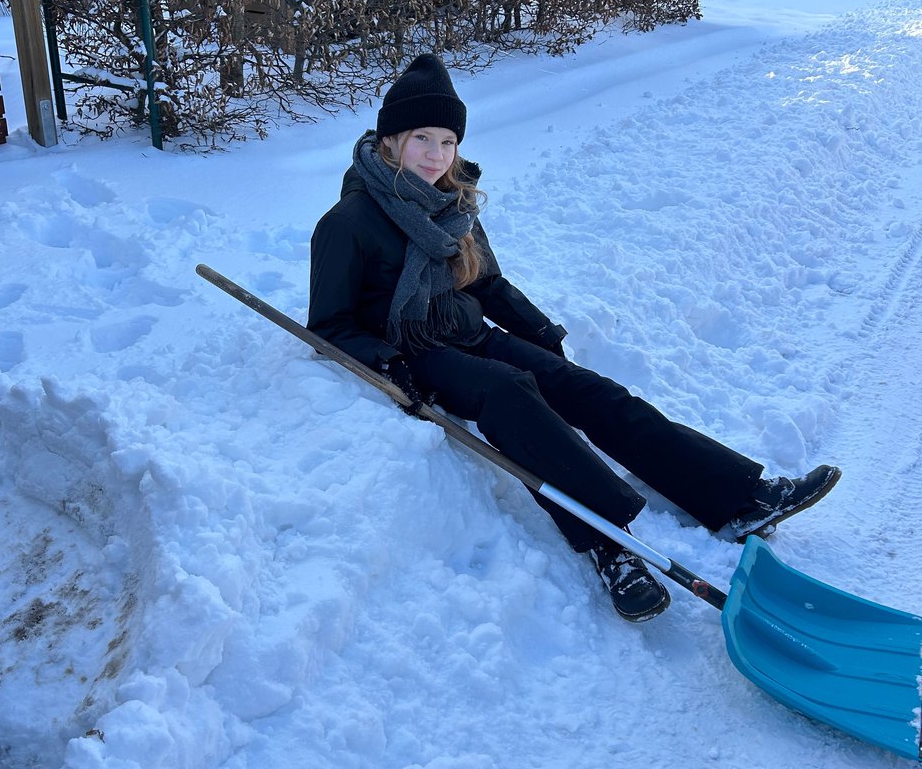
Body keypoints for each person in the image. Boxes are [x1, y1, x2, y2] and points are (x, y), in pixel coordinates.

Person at [307, 54, 840, 621]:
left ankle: (739, 499)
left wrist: (535, 327)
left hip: (470, 333)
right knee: (511, 393)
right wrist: (387, 362)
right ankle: (613, 547)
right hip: (419, 352)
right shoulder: (348, 223)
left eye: (447, 141)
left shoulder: (453, 204)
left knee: (588, 391)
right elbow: (329, 325)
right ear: (390, 141)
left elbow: (485, 282)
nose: (437, 156)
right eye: (422, 139)